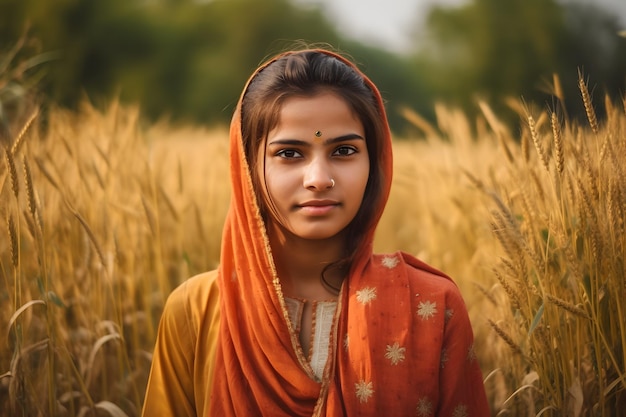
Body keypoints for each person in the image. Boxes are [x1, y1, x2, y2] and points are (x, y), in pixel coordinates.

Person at [142, 47, 490, 416]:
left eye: (343, 150)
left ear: (375, 161)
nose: (319, 179)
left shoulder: (431, 307)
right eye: (290, 154)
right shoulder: (196, 310)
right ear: (247, 168)